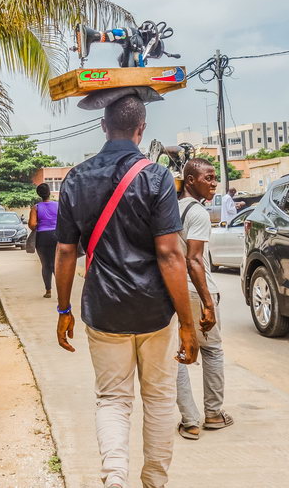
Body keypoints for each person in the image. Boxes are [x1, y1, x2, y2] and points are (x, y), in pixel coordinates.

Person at [54, 95, 199, 488]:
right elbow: (171, 254)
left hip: (104, 309)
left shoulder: (75, 178)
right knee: (159, 399)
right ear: (142, 129)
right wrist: (188, 323)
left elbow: (66, 250)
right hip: (155, 310)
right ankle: (154, 481)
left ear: (103, 127)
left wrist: (63, 308)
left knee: (113, 400)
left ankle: (114, 478)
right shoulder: (156, 177)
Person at [175, 159, 234, 440]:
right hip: (198, 291)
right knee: (212, 351)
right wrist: (208, 302)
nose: (213, 183)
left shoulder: (170, 208)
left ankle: (189, 421)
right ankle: (213, 413)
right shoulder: (197, 212)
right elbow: (195, 259)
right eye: (208, 178)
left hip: (173, 291)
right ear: (190, 180)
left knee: (177, 356)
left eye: (214, 178)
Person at [29, 182, 59, 298]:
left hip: (42, 238)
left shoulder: (36, 207)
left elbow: (32, 225)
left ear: (39, 194)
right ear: (49, 193)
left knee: (46, 264)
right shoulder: (58, 205)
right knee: (57, 264)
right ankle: (61, 292)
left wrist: (38, 222)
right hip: (57, 236)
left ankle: (48, 291)